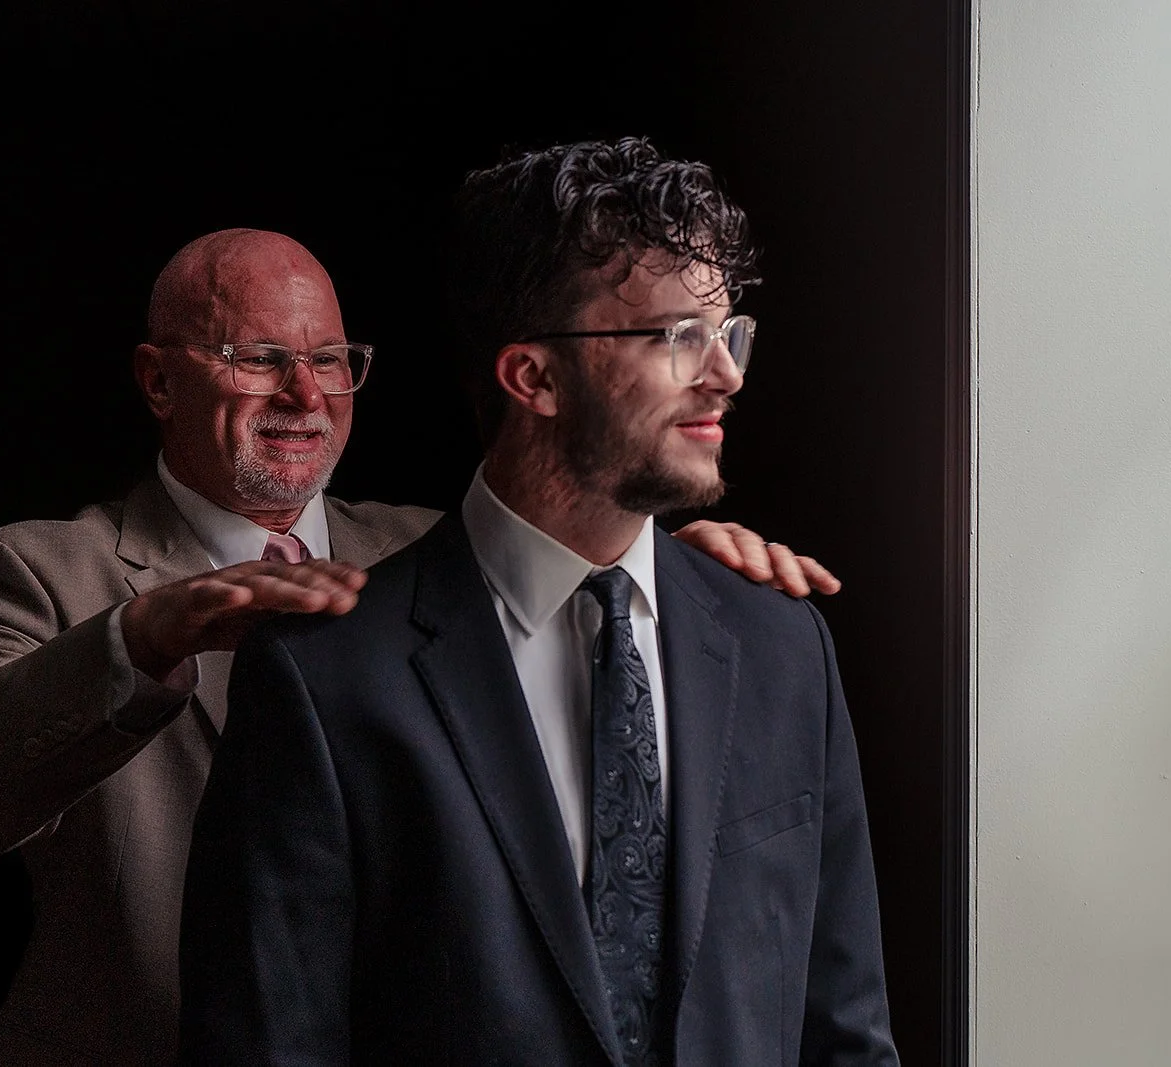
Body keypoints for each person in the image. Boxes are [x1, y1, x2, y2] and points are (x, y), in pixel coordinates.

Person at [0, 226, 838, 1066]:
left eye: (331, 359)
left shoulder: (433, 556)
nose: (306, 394)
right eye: (261, 359)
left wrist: (665, 580)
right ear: (158, 381)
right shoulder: (40, 568)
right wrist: (146, 634)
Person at [179, 140, 898, 1065]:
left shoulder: (784, 649)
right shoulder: (325, 683)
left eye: (729, 333)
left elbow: (846, 1036)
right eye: (678, 336)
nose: (726, 374)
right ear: (533, 377)